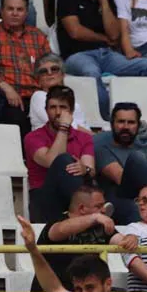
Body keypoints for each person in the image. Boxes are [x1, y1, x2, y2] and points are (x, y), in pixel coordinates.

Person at [28, 184, 140, 292]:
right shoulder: (58, 223)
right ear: (82, 209)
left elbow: (120, 240)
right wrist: (95, 217)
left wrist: (131, 237)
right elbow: (59, 231)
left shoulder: (100, 226)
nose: (103, 210)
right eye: (99, 206)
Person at [59, 0, 147, 119]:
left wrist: (103, 1)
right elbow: (75, 31)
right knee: (91, 72)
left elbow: (114, 34)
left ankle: (146, 117)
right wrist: (104, 39)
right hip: (77, 56)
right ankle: (108, 119)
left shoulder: (109, 1)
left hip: (107, 55)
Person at [0, 0, 51, 133]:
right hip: (8, 98)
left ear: (26, 12)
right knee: (16, 120)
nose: (15, 13)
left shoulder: (38, 36)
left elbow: (49, 65)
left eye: (20, 9)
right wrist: (6, 87)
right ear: (1, 12)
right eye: (10, 9)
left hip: (37, 95)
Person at [23, 85, 97, 221]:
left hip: (78, 193)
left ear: (71, 111)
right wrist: (64, 128)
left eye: (63, 107)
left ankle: (84, 212)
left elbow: (90, 168)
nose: (57, 113)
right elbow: (52, 162)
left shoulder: (84, 138)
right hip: (44, 196)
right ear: (46, 110)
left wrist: (84, 169)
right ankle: (88, 213)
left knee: (85, 180)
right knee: (64, 160)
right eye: (52, 107)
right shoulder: (33, 137)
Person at [95, 102, 147, 224]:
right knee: (138, 158)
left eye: (131, 122)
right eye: (121, 121)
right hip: (122, 197)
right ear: (112, 124)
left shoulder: (145, 147)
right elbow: (120, 177)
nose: (126, 127)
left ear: (138, 125)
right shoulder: (102, 149)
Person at [28, 53, 88, 131]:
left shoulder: (70, 97)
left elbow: (83, 124)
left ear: (63, 74)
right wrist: (92, 136)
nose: (49, 73)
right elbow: (61, 123)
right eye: (43, 71)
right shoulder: (38, 96)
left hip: (80, 140)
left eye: (54, 69)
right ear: (38, 80)